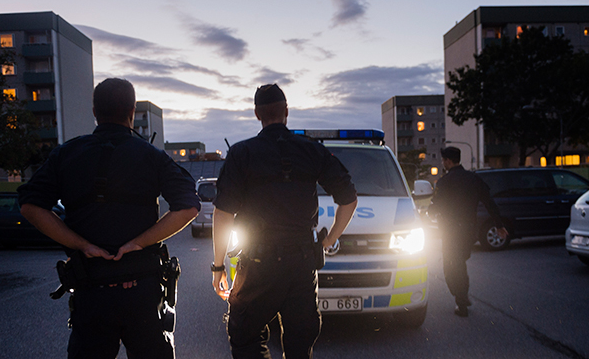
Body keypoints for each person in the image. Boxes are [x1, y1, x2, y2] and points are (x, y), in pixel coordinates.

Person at [18, 78, 199, 359]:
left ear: (94, 111)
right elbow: (189, 206)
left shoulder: (66, 153)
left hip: (92, 292)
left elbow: (30, 206)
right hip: (141, 292)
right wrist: (140, 243)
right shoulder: (151, 156)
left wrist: (82, 245)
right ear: (131, 111)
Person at [211, 84, 357, 359]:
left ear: (257, 114)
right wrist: (328, 240)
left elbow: (223, 214)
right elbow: (349, 200)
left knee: (245, 339)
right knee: (300, 345)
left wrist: (218, 266)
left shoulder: (242, 153)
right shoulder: (313, 151)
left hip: (257, 265)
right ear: (287, 111)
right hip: (301, 265)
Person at [428, 146, 506, 317]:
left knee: (450, 268)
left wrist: (427, 213)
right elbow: (489, 202)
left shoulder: (445, 181)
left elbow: (436, 205)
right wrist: (499, 224)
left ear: (448, 161)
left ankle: (461, 299)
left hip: (450, 230)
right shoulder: (474, 179)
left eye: (443, 160)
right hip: (469, 230)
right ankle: (462, 296)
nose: (443, 163)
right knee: (460, 263)